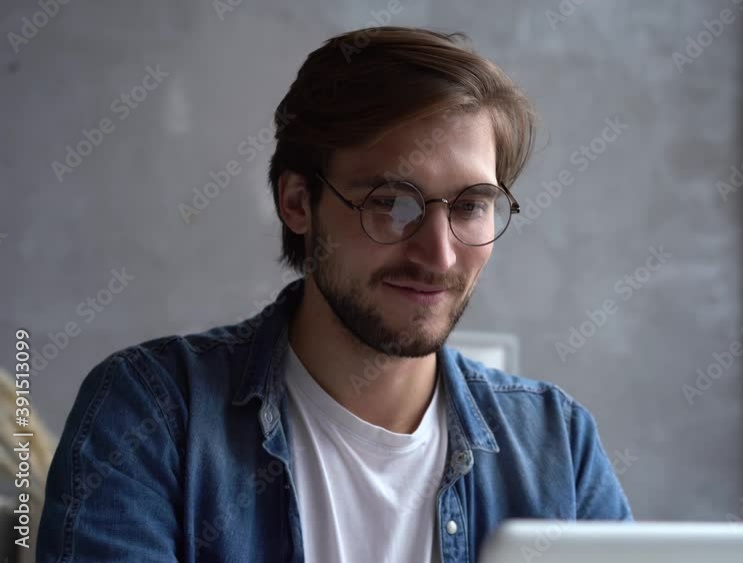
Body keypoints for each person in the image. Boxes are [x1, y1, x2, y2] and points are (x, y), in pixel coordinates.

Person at [38, 26, 632, 563]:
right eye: (392, 203)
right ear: (298, 203)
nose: (440, 255)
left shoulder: (558, 444)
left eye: (472, 206)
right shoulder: (154, 416)